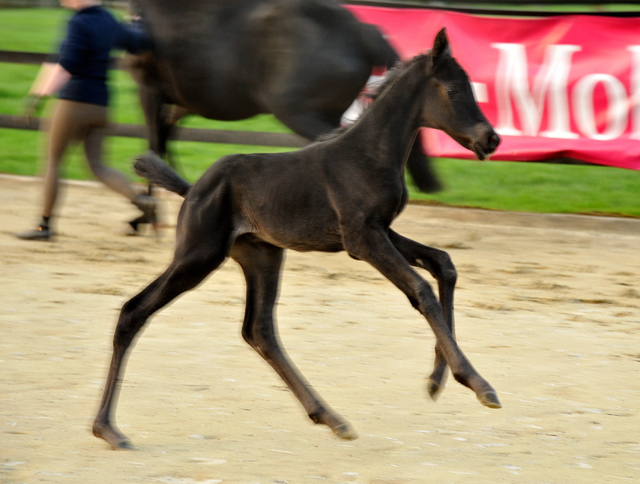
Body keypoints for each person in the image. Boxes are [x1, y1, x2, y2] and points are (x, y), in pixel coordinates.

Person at [16, 0, 155, 241]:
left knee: (53, 161)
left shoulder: (77, 23)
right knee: (98, 166)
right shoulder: (109, 19)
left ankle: (45, 225)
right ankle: (142, 201)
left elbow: (66, 64)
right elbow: (138, 41)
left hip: (73, 102)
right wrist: (138, 23)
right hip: (101, 104)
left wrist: (39, 96)